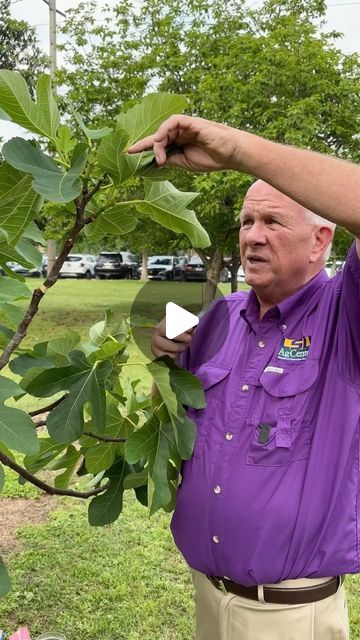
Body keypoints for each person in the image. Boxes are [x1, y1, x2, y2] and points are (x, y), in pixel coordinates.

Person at [128, 117, 360, 640]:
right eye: (246, 221)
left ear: (321, 240)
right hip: (209, 595)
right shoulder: (219, 316)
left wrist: (238, 150)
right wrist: (163, 359)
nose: (252, 236)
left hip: (288, 615)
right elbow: (171, 414)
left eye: (273, 222)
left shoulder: (345, 314)